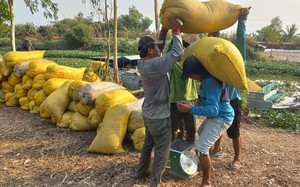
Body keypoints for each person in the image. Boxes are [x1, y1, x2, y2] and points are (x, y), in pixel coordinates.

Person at [135, 18, 184, 187]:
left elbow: (160, 50)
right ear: (150, 50)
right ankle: (154, 183)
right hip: (159, 117)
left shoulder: (142, 63)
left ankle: (140, 173)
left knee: (148, 144)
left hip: (148, 114)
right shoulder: (156, 65)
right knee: (162, 152)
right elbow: (177, 53)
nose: (159, 49)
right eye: (155, 47)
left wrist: (164, 31)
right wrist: (176, 31)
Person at [177, 56, 234, 187]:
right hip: (217, 116)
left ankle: (206, 182)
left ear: (197, 72)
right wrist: (191, 106)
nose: (190, 78)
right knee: (201, 132)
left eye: (190, 75)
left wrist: (191, 108)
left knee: (201, 148)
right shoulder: (206, 79)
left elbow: (213, 110)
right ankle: (207, 164)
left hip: (222, 117)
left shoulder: (210, 82)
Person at [211, 7, 251, 170]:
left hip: (233, 101)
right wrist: (217, 22)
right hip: (218, 100)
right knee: (215, 125)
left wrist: (242, 20)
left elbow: (241, 41)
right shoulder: (217, 64)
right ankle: (218, 147)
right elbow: (213, 41)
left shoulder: (238, 62)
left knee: (234, 132)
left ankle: (237, 159)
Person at [167, 40, 198, 142]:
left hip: (190, 100)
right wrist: (174, 41)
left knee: (191, 128)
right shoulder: (173, 64)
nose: (182, 50)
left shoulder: (191, 62)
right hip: (175, 101)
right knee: (173, 128)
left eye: (183, 48)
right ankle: (172, 150)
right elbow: (168, 53)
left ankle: (187, 149)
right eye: (179, 48)